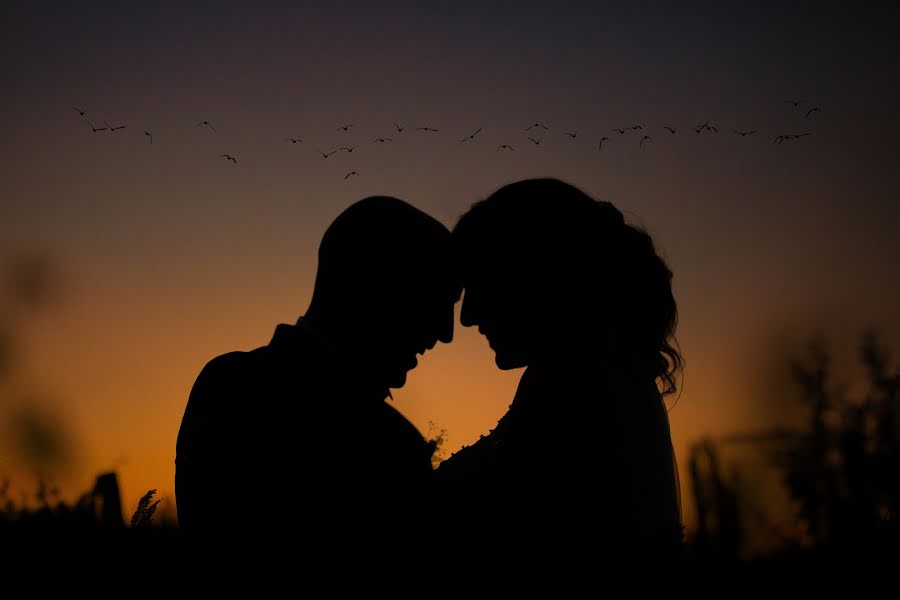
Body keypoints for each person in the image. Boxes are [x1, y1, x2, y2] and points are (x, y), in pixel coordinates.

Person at [175, 196, 461, 587]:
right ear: (375, 287)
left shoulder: (228, 381)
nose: (444, 333)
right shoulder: (387, 445)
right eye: (435, 302)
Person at [432, 178, 684, 591]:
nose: (467, 317)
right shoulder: (606, 375)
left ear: (536, 275)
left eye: (477, 284)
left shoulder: (575, 389)